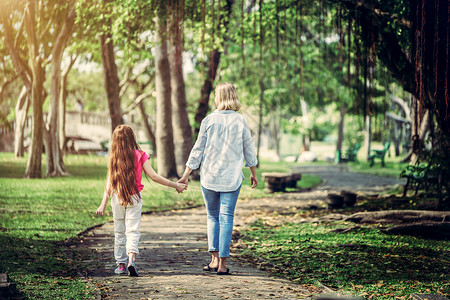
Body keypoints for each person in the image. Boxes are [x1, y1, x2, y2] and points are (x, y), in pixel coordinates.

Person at [178, 82, 258, 275]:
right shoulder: (240, 120)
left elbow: (198, 149)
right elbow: (249, 148)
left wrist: (186, 174)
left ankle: (213, 260)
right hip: (231, 177)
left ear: (219, 97)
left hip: (210, 176)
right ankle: (221, 264)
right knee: (226, 218)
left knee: (212, 216)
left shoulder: (208, 120)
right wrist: (253, 172)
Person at [96, 125, 186, 276]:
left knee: (119, 231)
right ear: (132, 138)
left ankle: (121, 265)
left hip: (117, 197)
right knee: (132, 230)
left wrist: (103, 203)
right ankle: (132, 260)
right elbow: (154, 176)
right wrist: (175, 185)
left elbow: (109, 181)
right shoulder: (140, 155)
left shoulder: (114, 156)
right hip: (135, 197)